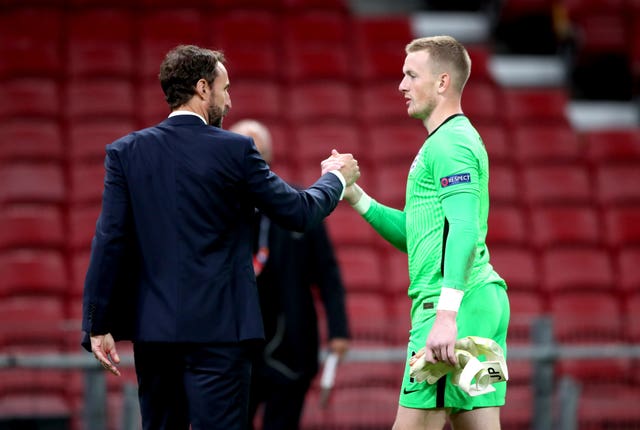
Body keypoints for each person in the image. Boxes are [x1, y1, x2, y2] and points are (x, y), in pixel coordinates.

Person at [80, 44, 360, 430]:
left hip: (155, 333)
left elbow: (110, 240)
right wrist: (337, 179)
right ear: (202, 88)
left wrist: (96, 323)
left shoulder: (126, 153)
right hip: (221, 334)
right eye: (225, 89)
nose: (229, 101)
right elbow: (297, 212)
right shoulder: (235, 149)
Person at [339, 35, 509, 429]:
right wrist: (355, 195)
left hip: (451, 310)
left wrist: (446, 316)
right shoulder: (450, 142)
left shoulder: (450, 145)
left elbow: (464, 228)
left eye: (411, 75)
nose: (401, 85)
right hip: (479, 307)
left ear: (443, 83)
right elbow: (418, 235)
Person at [229, 119, 351, 430]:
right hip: (236, 347)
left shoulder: (298, 204)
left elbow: (327, 272)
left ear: (266, 160)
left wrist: (338, 329)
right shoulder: (218, 210)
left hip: (291, 345)